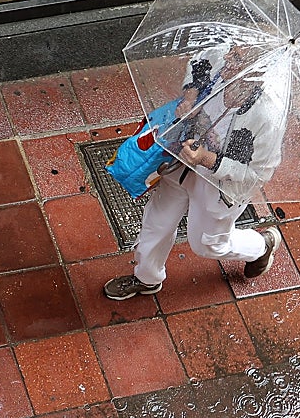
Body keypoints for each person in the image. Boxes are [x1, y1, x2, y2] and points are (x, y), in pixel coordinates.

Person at [103, 46, 283, 301]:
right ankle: (147, 278)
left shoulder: (267, 117)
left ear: (256, 74)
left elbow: (258, 173)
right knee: (157, 222)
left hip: (219, 184)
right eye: (233, 50)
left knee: (207, 244)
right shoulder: (222, 60)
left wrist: (207, 159)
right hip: (181, 161)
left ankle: (261, 246)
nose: (228, 56)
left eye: (238, 58)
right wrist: (190, 99)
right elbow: (200, 62)